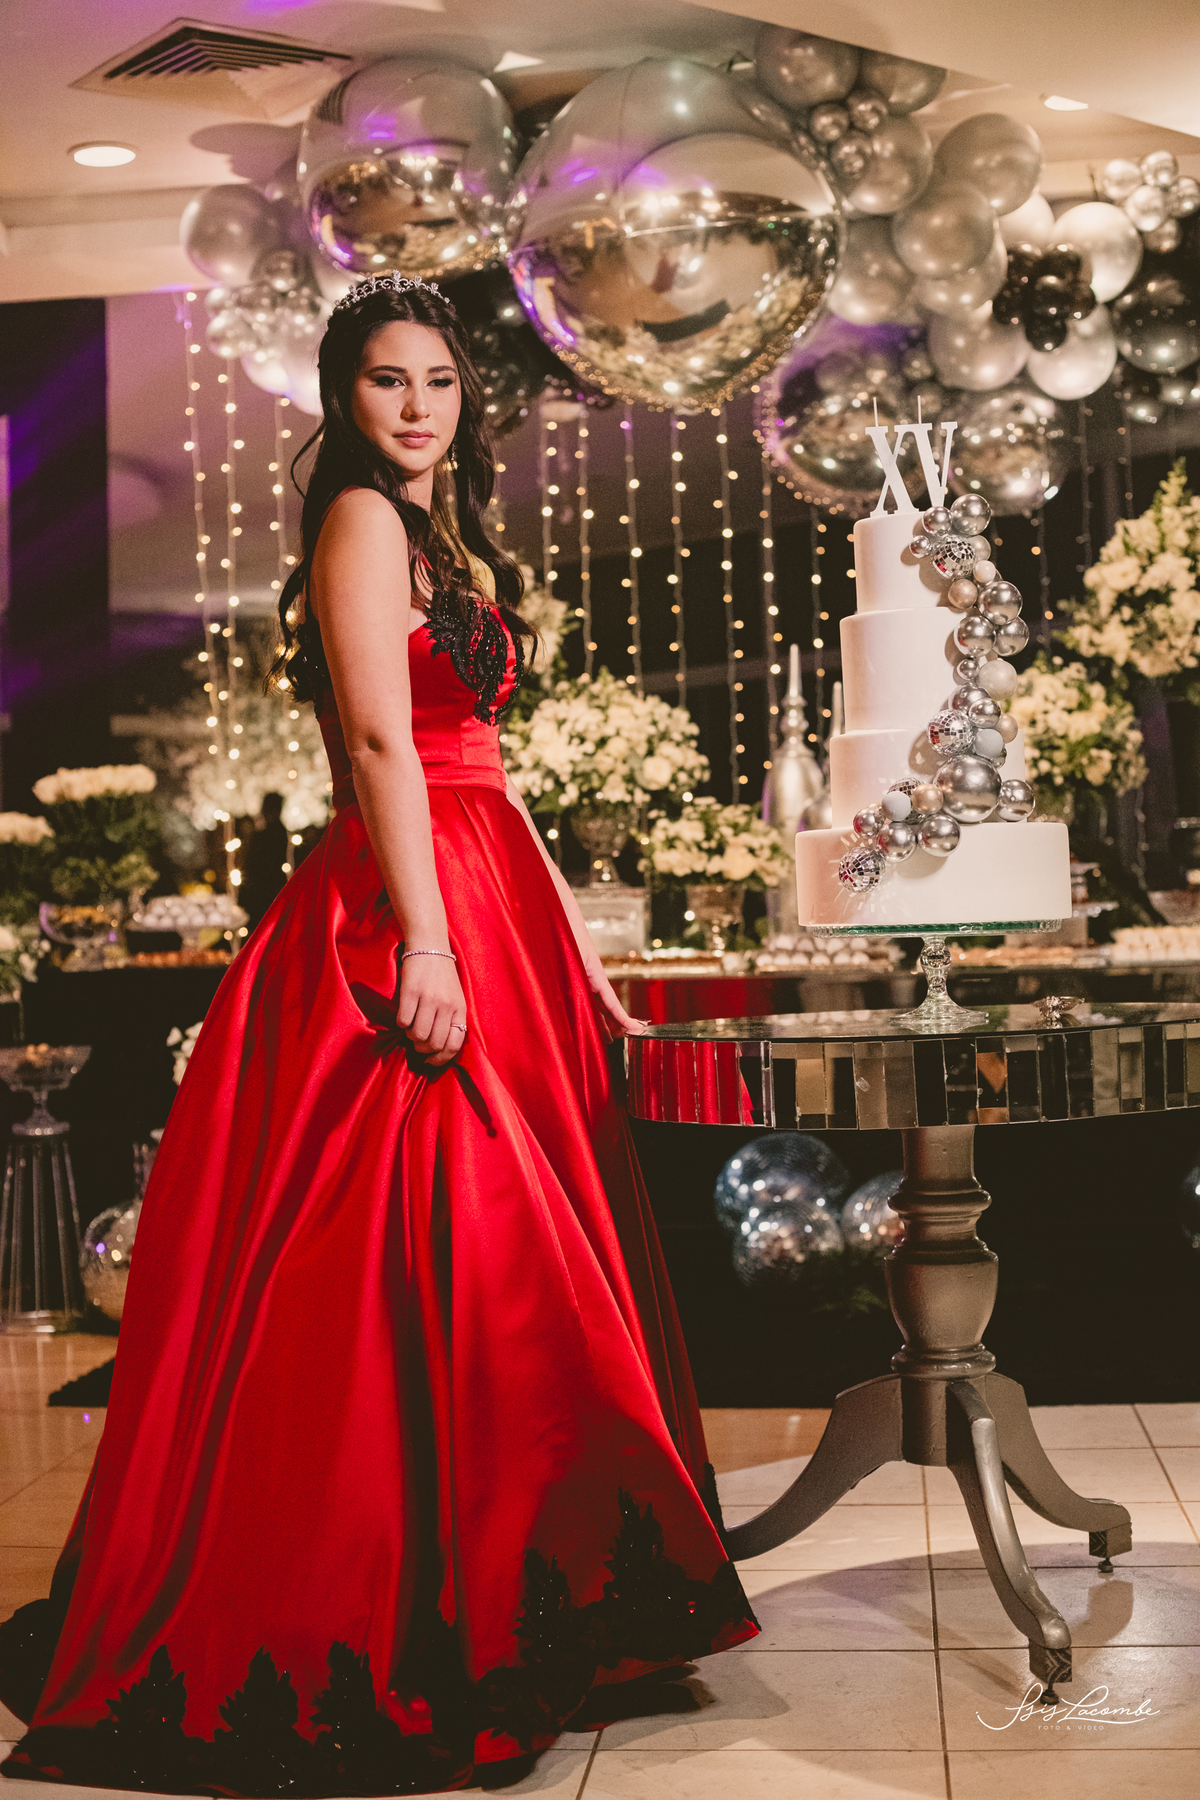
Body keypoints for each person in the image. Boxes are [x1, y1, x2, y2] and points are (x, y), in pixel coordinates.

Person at [0, 274, 756, 1797]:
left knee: (515, 1247)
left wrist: (572, 950)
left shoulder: (446, 537)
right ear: (343, 399)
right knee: (455, 1241)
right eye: (387, 380)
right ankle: (419, 1604)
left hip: (483, 879)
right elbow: (376, 742)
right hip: (406, 896)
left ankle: (534, 1592)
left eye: (440, 382)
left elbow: (494, 766)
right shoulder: (359, 519)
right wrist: (426, 938)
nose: (417, 407)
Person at [239, 790, 290, 934]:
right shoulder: (283, 835)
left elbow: (252, 867)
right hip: (273, 892)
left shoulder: (266, 837)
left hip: (262, 894)